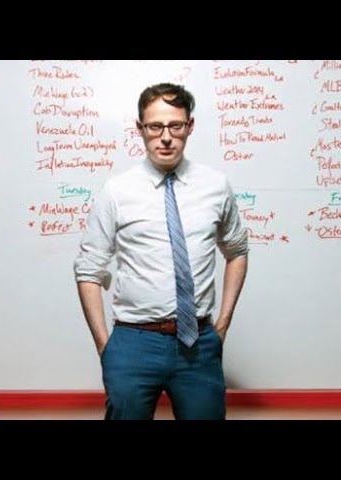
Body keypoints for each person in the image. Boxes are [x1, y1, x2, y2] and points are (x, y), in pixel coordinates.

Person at [73, 82, 248, 420]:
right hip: (134, 342)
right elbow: (88, 269)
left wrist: (221, 326)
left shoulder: (215, 185)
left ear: (189, 126)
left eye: (175, 126)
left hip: (198, 343)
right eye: (155, 126)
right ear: (140, 128)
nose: (165, 137)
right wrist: (106, 347)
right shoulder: (116, 191)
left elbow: (237, 249)